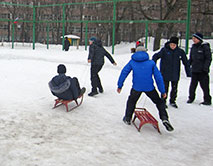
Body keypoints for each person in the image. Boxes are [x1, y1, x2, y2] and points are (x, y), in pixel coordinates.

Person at [117, 46, 174, 132]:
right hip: (149, 88)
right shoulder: (151, 63)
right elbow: (158, 77)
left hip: (137, 87)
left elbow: (124, 72)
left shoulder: (132, 62)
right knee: (159, 102)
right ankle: (164, 118)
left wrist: (120, 85)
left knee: (132, 101)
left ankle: (128, 118)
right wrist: (162, 91)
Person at [152, 36, 191, 108]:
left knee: (174, 88)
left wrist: (188, 72)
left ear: (177, 45)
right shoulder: (164, 50)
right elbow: (156, 56)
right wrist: (152, 66)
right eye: (171, 44)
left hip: (175, 73)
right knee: (165, 88)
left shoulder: (180, 52)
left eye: (174, 45)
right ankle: (163, 101)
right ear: (169, 44)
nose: (173, 46)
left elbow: (186, 62)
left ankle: (173, 101)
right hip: (165, 72)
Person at [187, 32, 212, 105]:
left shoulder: (205, 47)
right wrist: (188, 64)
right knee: (192, 86)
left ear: (199, 39)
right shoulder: (193, 47)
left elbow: (208, 58)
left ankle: (207, 100)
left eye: (195, 38)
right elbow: (191, 58)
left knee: (204, 86)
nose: (193, 39)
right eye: (193, 38)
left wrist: (205, 68)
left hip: (202, 71)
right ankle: (191, 98)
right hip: (194, 70)